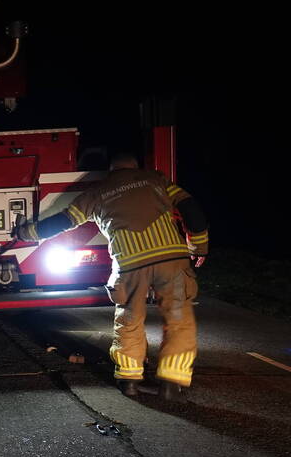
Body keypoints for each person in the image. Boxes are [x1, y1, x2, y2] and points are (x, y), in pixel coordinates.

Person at [14, 152, 209, 401]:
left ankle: (129, 379)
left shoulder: (97, 193)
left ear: (111, 170)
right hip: (171, 259)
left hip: (129, 263)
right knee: (179, 319)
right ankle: (171, 380)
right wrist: (199, 247)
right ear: (135, 167)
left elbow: (62, 222)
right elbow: (192, 211)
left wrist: (26, 233)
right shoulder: (157, 180)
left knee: (129, 319)